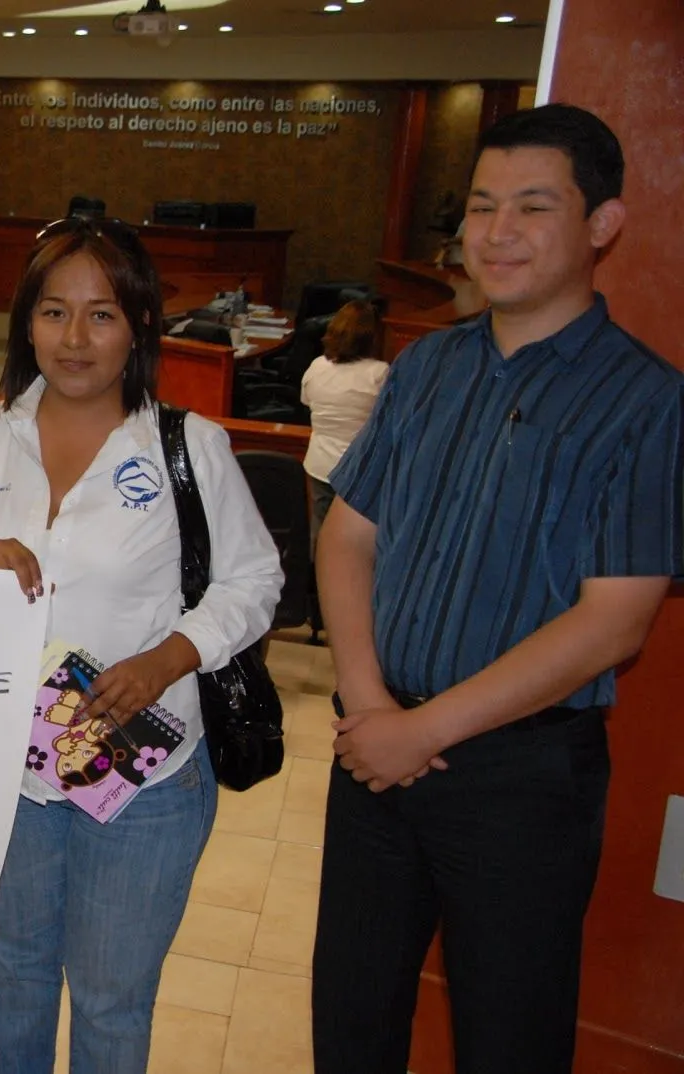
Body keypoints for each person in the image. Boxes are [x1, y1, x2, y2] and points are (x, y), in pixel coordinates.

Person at [312, 104, 683, 1074]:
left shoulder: (648, 401)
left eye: (531, 206)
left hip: (520, 783)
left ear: (601, 225)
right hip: (374, 749)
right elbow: (348, 536)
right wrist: (367, 701)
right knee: (349, 1027)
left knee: (506, 1040)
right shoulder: (427, 365)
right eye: (480, 207)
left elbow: (615, 622)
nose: (497, 233)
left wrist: (422, 733)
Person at [0, 216, 283, 1074]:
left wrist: (171, 656)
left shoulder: (190, 445)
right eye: (53, 312)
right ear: (25, 323)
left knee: (112, 1003)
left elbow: (255, 582)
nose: (74, 339)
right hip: (8, 774)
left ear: (141, 325)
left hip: (141, 779)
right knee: (12, 976)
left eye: (102, 314)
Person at [298, 299, 387, 543]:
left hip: (319, 465)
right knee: (355, 543)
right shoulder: (380, 373)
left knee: (321, 534)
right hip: (359, 471)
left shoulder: (317, 366)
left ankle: (316, 581)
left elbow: (306, 401)